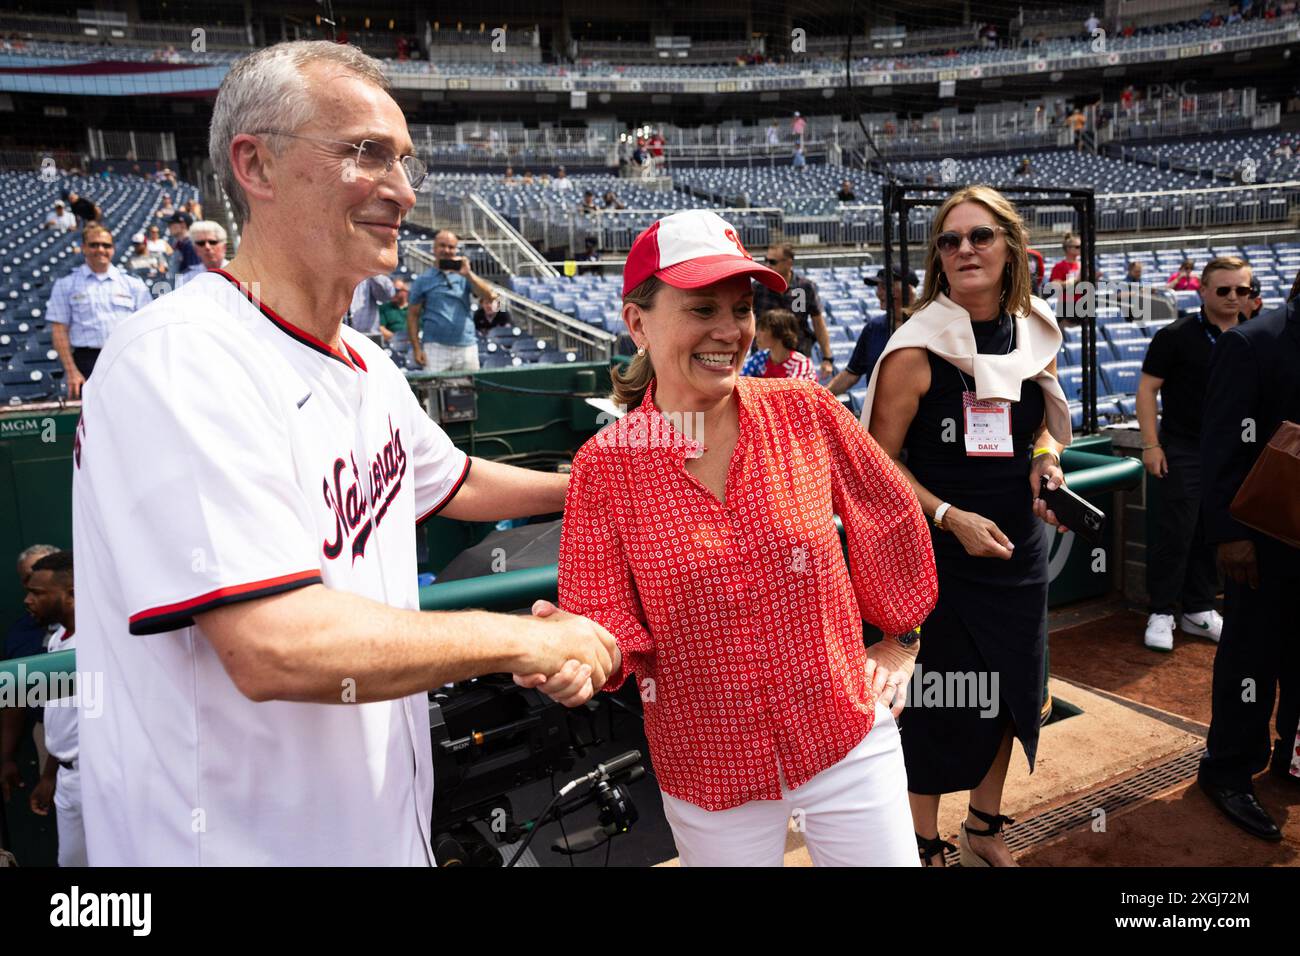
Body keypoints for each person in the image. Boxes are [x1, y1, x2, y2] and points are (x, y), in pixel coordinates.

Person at [72, 39, 616, 867]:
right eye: (366, 154)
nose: (402, 190)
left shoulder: (365, 361)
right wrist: (529, 639)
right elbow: (275, 642)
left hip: (375, 825)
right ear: (254, 164)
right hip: (231, 843)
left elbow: (454, 480)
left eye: (405, 161)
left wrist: (589, 485)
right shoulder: (180, 357)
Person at [530, 209, 938, 865]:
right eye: (702, 309)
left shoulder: (803, 409)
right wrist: (580, 659)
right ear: (638, 323)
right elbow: (605, 623)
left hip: (843, 735)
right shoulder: (605, 466)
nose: (730, 330)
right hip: (709, 768)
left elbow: (887, 514)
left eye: (742, 308)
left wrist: (902, 637)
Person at [862, 185, 1073, 867]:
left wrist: (1046, 460)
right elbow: (879, 463)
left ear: (1010, 246)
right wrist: (949, 517)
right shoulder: (914, 351)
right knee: (934, 710)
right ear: (938, 259)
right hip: (940, 561)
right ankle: (923, 842)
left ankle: (984, 828)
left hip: (1017, 553)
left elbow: (1043, 431)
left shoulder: (1035, 330)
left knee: (1013, 698)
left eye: (980, 236)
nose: (964, 250)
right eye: (950, 241)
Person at [1196, 271, 1300, 841]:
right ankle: (1229, 769)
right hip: (1261, 540)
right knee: (1251, 657)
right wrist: (1231, 534)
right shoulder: (1252, 342)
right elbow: (1222, 445)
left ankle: (1292, 751)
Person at [1136, 256, 1251, 650]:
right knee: (1177, 530)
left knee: (1215, 530)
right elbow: (1147, 389)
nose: (1234, 297)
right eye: (1224, 290)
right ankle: (1162, 611)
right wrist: (1151, 444)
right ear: (1202, 291)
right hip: (1183, 447)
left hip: (1234, 452)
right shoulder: (1176, 335)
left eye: (1243, 290)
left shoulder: (1255, 333)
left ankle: (1199, 609)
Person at [23, 551, 84, 867]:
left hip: (98, 778)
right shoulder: (58, 638)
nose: (27, 600)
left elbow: (13, 686)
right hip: (66, 776)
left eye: (37, 593)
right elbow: (57, 716)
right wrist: (50, 774)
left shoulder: (92, 643)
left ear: (71, 594)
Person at [46, 223, 151, 397]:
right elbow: (59, 331)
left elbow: (147, 329)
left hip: (127, 360)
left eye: (106, 245)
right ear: (83, 248)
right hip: (86, 363)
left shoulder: (133, 285)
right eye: (94, 245)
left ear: (113, 249)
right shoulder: (65, 285)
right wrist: (72, 371)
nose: (100, 249)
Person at [1, 545, 59, 808]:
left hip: (93, 733)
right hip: (46, 731)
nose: (33, 583)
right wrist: (6, 756)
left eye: (41, 574)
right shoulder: (20, 634)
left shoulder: (89, 624)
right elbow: (14, 699)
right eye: (27, 578)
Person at [408, 229, 495, 372]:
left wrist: (468, 274)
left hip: (466, 346)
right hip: (435, 347)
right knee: (436, 392)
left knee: (469, 392)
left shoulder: (465, 276)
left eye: (451, 247)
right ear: (434, 249)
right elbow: (412, 315)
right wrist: (416, 348)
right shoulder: (422, 280)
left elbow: (490, 296)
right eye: (442, 246)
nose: (447, 250)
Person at [827, 265, 918, 396]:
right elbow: (851, 374)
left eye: (884, 287)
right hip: (880, 412)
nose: (878, 292)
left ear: (907, 289)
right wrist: (819, 397)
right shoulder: (873, 328)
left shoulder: (926, 325)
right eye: (878, 287)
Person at [754, 242, 834, 379]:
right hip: (766, 359)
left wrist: (827, 358)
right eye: (766, 260)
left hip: (798, 352)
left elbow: (818, 324)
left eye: (772, 262)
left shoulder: (804, 287)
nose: (768, 265)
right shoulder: (757, 288)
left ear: (789, 263)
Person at [740, 308, 817, 381]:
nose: (756, 334)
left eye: (763, 329)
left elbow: (789, 393)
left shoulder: (801, 363)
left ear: (779, 333)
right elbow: (740, 383)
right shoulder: (760, 358)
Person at [174, 220, 229, 287]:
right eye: (201, 243)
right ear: (196, 249)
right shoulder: (186, 279)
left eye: (212, 242)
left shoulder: (238, 273)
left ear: (224, 247)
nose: (207, 247)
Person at [1047, 232, 1083, 317]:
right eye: (1077, 247)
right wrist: (1076, 280)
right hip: (1067, 305)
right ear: (1068, 249)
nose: (1081, 249)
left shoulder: (1082, 265)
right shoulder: (1059, 266)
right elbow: (1055, 285)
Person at [378, 277, 410, 344]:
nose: (392, 293)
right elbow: (381, 328)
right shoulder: (384, 308)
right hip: (392, 343)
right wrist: (397, 338)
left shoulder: (415, 308)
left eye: (396, 290)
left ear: (405, 292)